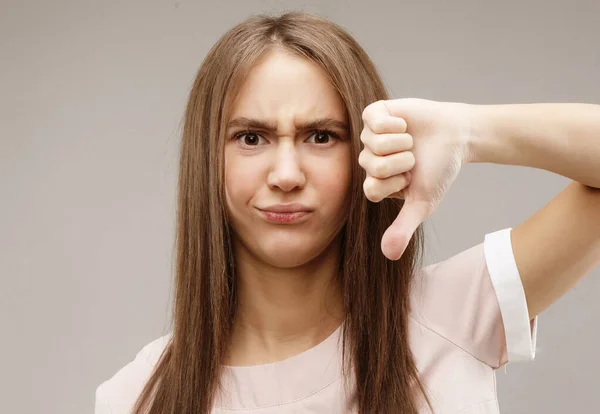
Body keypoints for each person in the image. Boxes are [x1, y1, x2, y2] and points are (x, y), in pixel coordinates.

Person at [94, 11, 600, 414]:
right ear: (208, 158)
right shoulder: (136, 398)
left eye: (321, 137)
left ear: (364, 153)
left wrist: (469, 132)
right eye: (252, 138)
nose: (287, 174)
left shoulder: (457, 314)